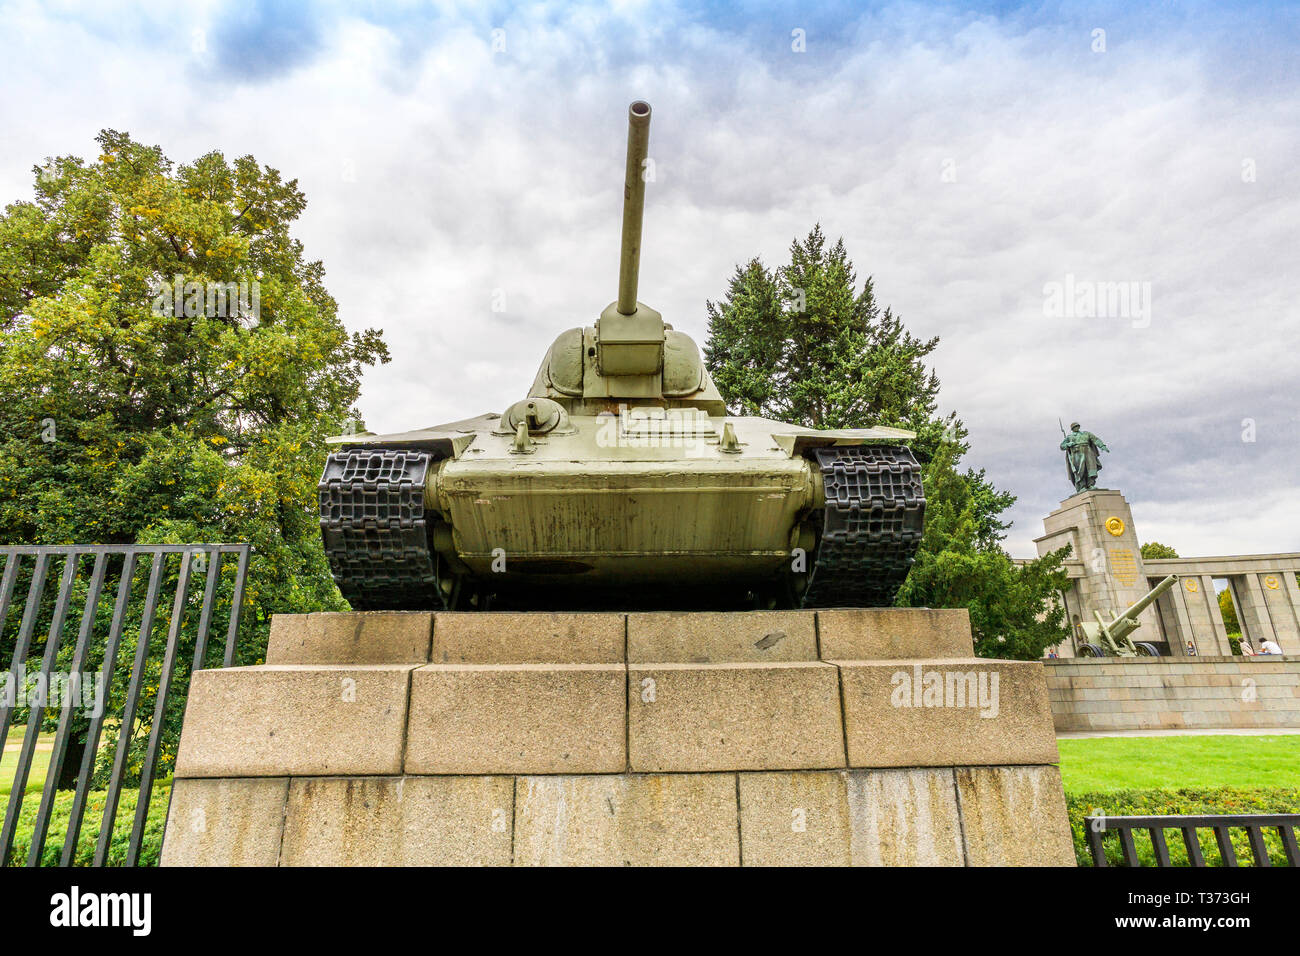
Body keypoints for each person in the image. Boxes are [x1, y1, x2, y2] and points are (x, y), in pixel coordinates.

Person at [1060, 422, 1110, 493]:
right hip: (1077, 453)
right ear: (1072, 429)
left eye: (1077, 426)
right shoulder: (1069, 437)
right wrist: (1068, 444)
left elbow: (1095, 439)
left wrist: (1102, 446)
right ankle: (1082, 486)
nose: (1076, 427)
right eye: (1074, 427)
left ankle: (1090, 484)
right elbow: (1062, 446)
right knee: (1080, 470)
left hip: (1088, 451)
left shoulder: (1086, 434)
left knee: (1091, 468)